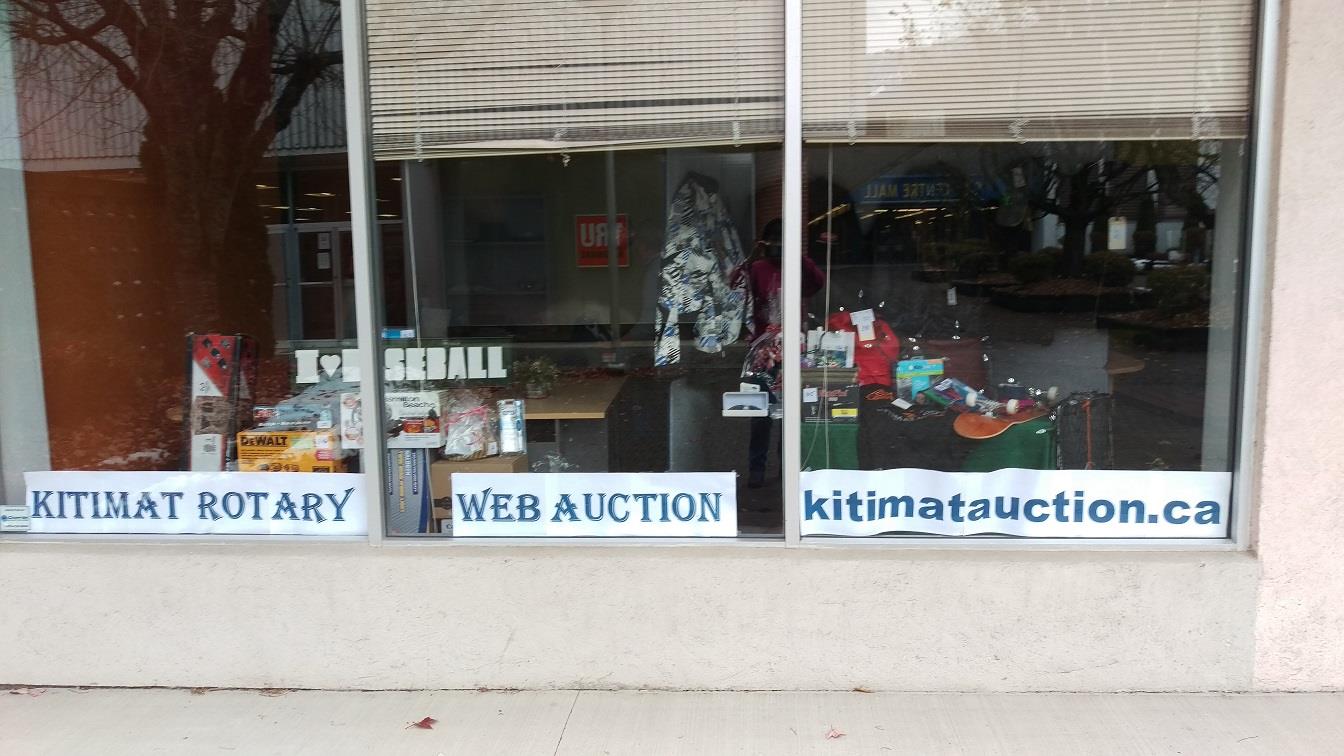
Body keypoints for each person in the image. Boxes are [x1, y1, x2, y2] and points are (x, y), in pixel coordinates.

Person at [740, 219, 826, 487]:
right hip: (763, 349)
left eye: (782, 243)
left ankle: (786, 469)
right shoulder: (758, 268)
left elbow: (817, 283)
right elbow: (736, 288)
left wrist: (796, 256)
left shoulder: (798, 266)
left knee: (791, 412)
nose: (777, 249)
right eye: (774, 243)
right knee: (761, 412)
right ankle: (757, 469)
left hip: (793, 346)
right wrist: (753, 255)